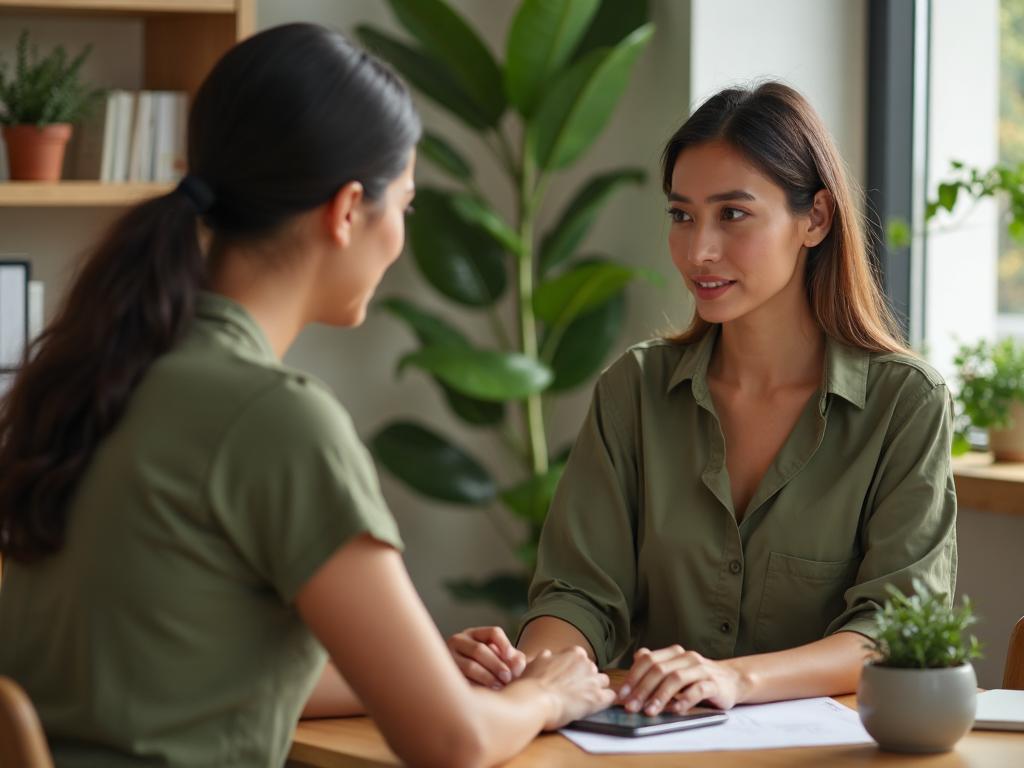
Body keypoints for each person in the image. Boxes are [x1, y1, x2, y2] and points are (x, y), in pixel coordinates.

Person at [0, 23, 613, 768]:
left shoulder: (95, 373)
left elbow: (198, 665)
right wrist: (549, 693)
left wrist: (416, 672)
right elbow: (451, 744)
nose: (402, 236)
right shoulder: (274, 418)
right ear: (349, 208)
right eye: (406, 206)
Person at [450, 81, 957, 717]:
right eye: (682, 215)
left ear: (816, 219)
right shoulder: (634, 391)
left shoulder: (905, 405)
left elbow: (894, 628)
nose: (699, 251)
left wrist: (734, 680)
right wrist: (536, 675)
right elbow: (578, 595)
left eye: (733, 214)